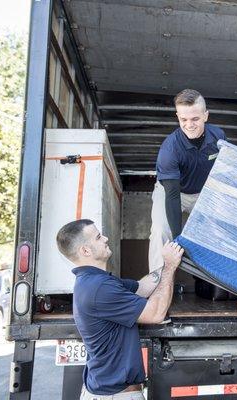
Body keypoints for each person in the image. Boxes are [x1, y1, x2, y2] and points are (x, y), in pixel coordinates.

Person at [56, 219, 184, 399]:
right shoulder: (99, 288)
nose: (106, 239)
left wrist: (170, 260)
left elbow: (142, 286)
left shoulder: (95, 281)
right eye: (99, 237)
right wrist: (170, 267)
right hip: (116, 396)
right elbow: (156, 313)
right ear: (85, 251)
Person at [148, 89, 226, 273]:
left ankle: (217, 281)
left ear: (205, 116)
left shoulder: (219, 136)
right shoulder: (170, 149)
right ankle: (158, 282)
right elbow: (173, 196)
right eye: (184, 120)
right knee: (160, 231)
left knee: (218, 231)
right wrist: (177, 240)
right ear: (178, 117)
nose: (189, 125)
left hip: (202, 192)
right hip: (172, 191)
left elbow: (223, 172)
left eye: (195, 119)